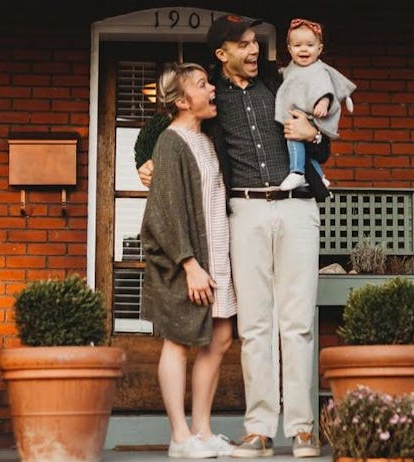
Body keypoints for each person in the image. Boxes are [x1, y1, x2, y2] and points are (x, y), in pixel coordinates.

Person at [138, 14, 328, 459]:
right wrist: (147, 164)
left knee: (298, 324)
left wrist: (313, 134)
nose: (254, 49)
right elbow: (155, 131)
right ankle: (259, 430)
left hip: (297, 207)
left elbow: (325, 135)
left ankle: (302, 429)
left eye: (256, 42)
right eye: (243, 44)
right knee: (256, 325)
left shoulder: (282, 83)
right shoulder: (209, 97)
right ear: (222, 54)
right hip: (243, 212)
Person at [140, 62, 237, 459]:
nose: (212, 88)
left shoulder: (205, 140)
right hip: (186, 261)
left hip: (215, 254)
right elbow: (165, 212)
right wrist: (189, 264)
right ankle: (180, 437)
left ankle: (202, 429)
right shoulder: (170, 142)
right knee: (178, 341)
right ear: (182, 101)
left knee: (221, 337)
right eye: (203, 84)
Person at [275, 18, 356, 191]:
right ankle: (320, 177)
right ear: (289, 49)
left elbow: (326, 89)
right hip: (300, 115)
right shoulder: (292, 68)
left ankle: (297, 172)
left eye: (309, 45)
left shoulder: (318, 70)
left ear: (319, 49)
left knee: (294, 139)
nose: (303, 49)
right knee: (306, 151)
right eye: (297, 46)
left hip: (311, 116)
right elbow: (287, 77)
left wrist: (323, 103)